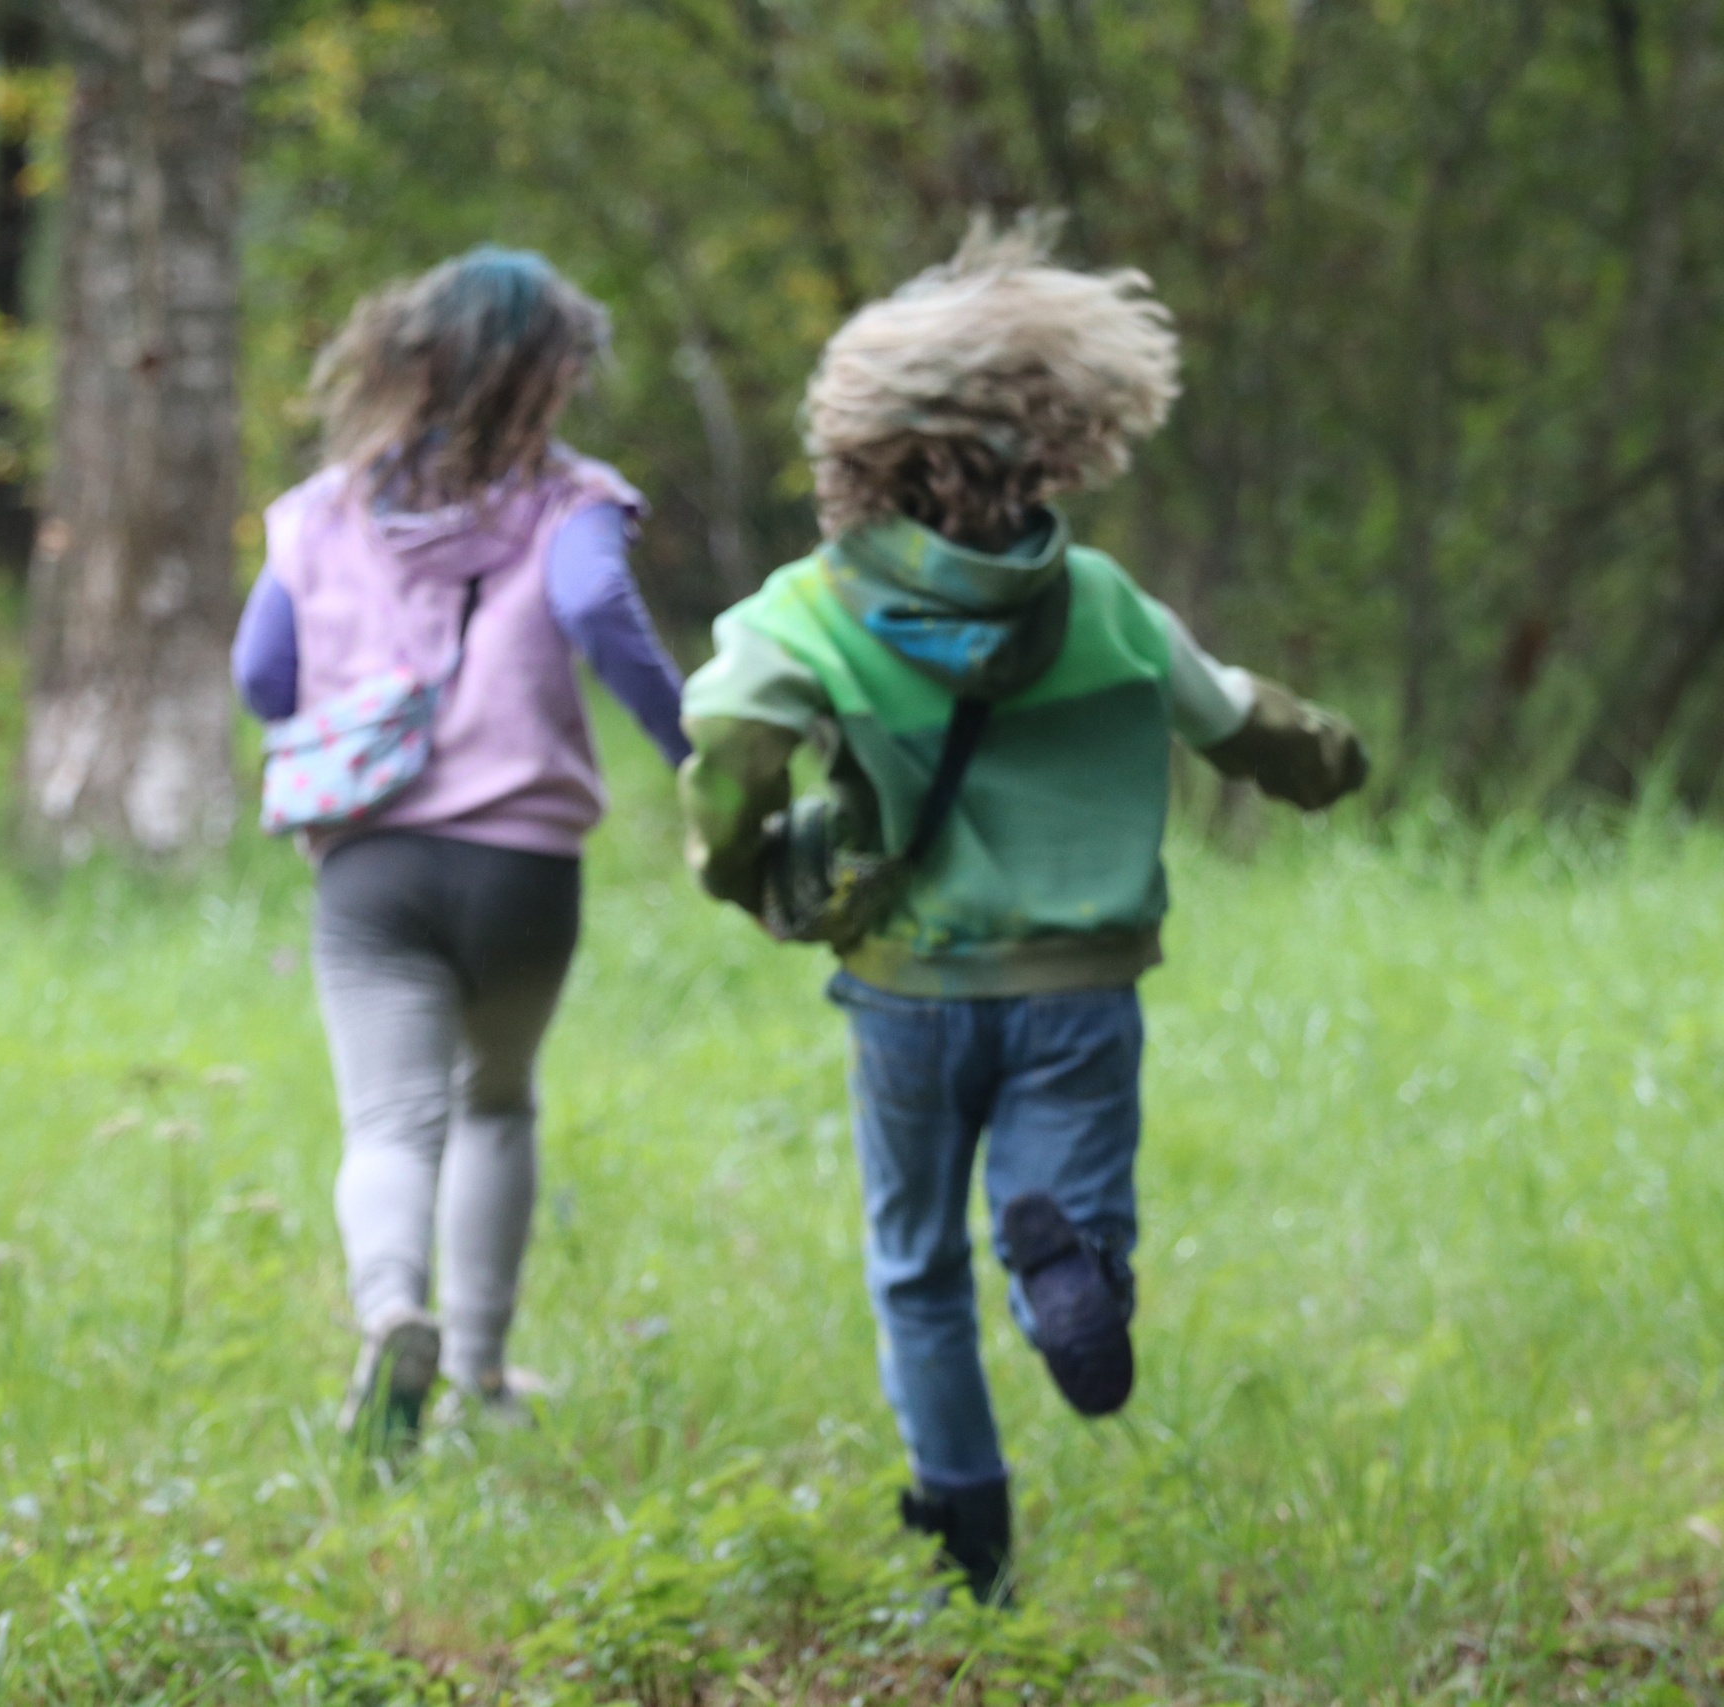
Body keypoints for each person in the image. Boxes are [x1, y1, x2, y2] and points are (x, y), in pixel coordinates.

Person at [676, 217, 1367, 1602]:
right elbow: (1242, 721)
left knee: (915, 1260)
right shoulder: (1104, 602)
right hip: (1081, 985)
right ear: (1050, 446)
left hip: (910, 992)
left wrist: (745, 862)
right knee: (1064, 1198)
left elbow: (736, 742)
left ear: (857, 454)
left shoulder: (807, 610)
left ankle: (966, 1530)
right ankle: (1078, 1283)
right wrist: (1330, 755)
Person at [233, 246, 688, 1442]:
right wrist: (692, 747)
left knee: (387, 1121)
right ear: (550, 376)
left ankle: (392, 1313)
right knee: (494, 1102)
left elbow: (258, 673)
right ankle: (481, 1375)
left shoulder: (322, 511)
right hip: (523, 862)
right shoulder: (568, 503)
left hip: (373, 860)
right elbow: (596, 606)